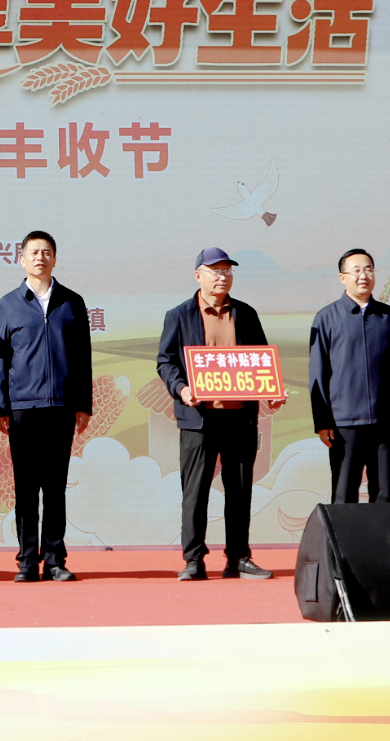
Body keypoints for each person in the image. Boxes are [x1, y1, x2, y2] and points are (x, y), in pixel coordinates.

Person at [156, 248, 284, 581]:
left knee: (239, 491)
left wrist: (272, 390)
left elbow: (260, 360)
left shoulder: (245, 313)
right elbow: (165, 362)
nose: (222, 276)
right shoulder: (179, 315)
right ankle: (194, 559)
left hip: (240, 418)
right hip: (198, 419)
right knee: (195, 491)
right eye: (215, 270)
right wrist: (182, 388)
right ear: (198, 275)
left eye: (227, 270)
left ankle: (238, 557)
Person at [0, 230, 93, 582]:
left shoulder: (72, 302)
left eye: (46, 252)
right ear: (22, 259)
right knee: (25, 488)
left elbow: (82, 357)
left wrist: (83, 403)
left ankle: (54, 560)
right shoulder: (8, 304)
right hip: (23, 409)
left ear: (54, 259)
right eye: (34, 252)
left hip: (61, 406)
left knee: (55, 487)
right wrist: (1, 407)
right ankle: (26, 562)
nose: (40, 258)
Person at [309, 248, 390, 504]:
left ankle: (381, 533)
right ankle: (343, 534)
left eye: (368, 269)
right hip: (345, 423)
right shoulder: (326, 318)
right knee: (344, 496)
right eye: (356, 270)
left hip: (386, 422)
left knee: (384, 495)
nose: (363, 276)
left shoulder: (389, 317)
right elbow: (318, 372)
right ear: (342, 278)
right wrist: (323, 422)